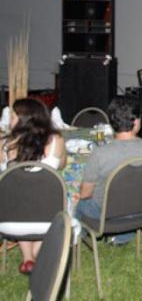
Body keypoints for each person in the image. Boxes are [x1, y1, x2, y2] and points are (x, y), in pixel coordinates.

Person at [77, 96, 142, 246]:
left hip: (107, 214)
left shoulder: (100, 153)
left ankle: (78, 234)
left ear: (111, 122)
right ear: (136, 122)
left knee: (76, 199)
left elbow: (85, 194)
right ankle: (123, 236)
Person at [0, 98, 66, 274]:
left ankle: (28, 258)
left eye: (12, 116)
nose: (9, 120)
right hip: (49, 222)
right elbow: (62, 165)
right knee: (42, 198)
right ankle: (36, 253)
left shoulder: (4, 144)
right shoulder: (55, 140)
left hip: (7, 221)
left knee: (20, 197)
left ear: (24, 119)